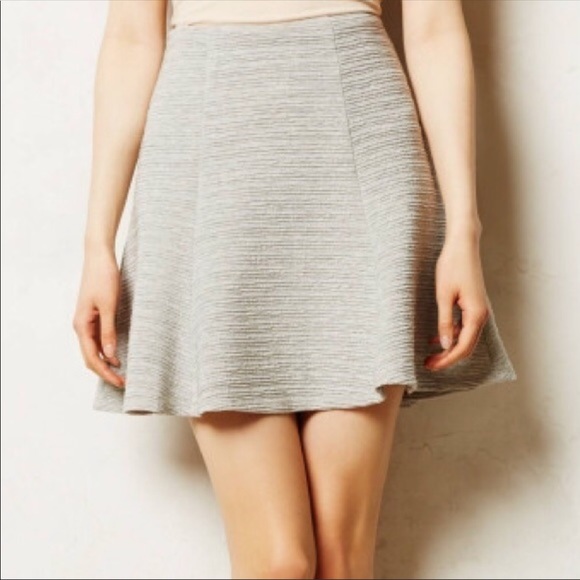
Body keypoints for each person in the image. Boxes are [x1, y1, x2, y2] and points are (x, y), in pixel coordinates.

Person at [73, 1, 517, 578]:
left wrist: (462, 231)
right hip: (207, 165)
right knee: (278, 563)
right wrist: (97, 245)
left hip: (358, 148)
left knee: (341, 561)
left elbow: (434, 32)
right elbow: (132, 42)